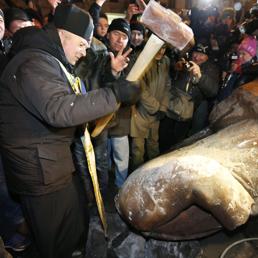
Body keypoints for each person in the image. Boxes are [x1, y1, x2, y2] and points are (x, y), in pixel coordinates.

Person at [0, 4, 139, 258]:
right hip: (39, 172)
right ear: (63, 34)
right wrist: (114, 93)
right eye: (82, 44)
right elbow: (59, 107)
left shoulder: (49, 59)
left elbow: (77, 92)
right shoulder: (34, 62)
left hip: (51, 162)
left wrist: (110, 78)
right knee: (55, 242)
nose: (85, 51)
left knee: (75, 222)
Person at [130, 44, 171, 170]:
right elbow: (140, 87)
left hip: (156, 114)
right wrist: (157, 107)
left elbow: (167, 85)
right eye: (159, 47)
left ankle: (153, 174)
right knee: (138, 150)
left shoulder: (165, 61)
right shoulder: (142, 60)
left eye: (164, 48)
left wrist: (163, 107)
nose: (161, 51)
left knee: (153, 146)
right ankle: (136, 177)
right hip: (140, 113)